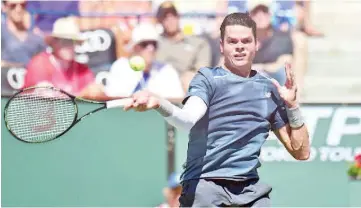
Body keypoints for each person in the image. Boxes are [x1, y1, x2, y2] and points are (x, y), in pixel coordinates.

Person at [122, 12, 310, 207]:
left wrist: (292, 106)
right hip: (205, 184)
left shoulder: (269, 89)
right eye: (232, 41)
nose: (239, 47)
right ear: (221, 46)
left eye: (246, 41)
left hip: (249, 189)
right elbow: (187, 119)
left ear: (256, 45)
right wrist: (159, 103)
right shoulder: (207, 79)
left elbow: (301, 152)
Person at [23, 17, 103, 99]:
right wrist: (82, 95)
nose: (69, 46)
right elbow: (43, 98)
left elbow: (95, 91)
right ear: (54, 42)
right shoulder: (39, 64)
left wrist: (95, 91)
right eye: (65, 41)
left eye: (73, 42)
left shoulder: (82, 70)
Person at [104, 23, 184, 100]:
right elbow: (113, 98)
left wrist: (155, 99)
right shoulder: (121, 66)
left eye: (154, 44)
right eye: (144, 44)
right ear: (134, 47)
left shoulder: (167, 70)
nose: (151, 48)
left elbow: (176, 101)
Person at [155, 1, 212, 93]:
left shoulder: (197, 42)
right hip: (157, 81)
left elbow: (203, 70)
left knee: (191, 79)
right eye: (165, 16)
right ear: (159, 20)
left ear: (178, 17)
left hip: (183, 83)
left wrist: (189, 76)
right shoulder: (153, 42)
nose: (170, 19)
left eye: (173, 15)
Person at [248, 0, 294, 85]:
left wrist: (261, 68)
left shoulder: (282, 37)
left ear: (270, 15)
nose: (260, 16)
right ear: (250, 16)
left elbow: (284, 64)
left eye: (264, 11)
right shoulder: (241, 39)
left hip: (274, 82)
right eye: (255, 12)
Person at [1, 0, 45, 67]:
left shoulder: (35, 35)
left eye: (22, 5)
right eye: (13, 6)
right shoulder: (2, 31)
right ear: (4, 7)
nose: (18, 9)